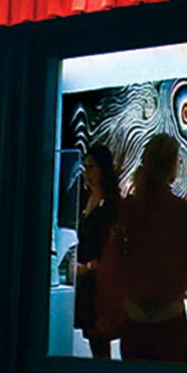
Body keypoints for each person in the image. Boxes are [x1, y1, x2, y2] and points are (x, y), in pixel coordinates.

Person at [108, 133, 187, 363]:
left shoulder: (129, 208)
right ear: (172, 166)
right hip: (170, 317)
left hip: (133, 315)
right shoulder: (181, 211)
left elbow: (118, 257)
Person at [73, 143, 122, 358]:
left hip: (101, 282)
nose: (86, 172)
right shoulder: (83, 199)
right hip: (84, 281)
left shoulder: (112, 205)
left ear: (103, 169)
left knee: (101, 339)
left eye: (91, 167)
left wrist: (89, 267)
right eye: (85, 167)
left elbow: (113, 249)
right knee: (93, 338)